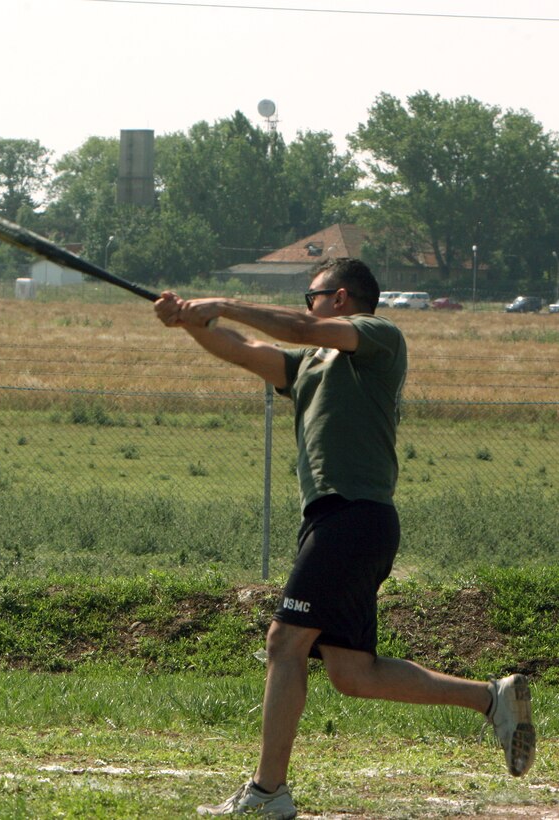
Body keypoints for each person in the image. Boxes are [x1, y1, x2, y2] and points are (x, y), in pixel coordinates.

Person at [154, 258, 535, 818]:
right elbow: (243, 350)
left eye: (312, 296)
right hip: (337, 520)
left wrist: (223, 304)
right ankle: (489, 696)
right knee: (351, 673)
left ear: (341, 297)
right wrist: (190, 322)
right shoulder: (307, 364)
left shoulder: (380, 337)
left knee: (285, 642)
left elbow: (302, 328)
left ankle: (267, 793)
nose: (307, 305)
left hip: (354, 515)